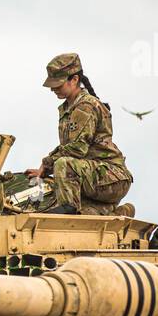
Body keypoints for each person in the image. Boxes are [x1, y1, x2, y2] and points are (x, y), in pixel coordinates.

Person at [26, 53, 134, 215]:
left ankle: (68, 211)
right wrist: (45, 168)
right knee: (86, 217)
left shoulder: (85, 106)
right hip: (95, 176)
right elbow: (69, 147)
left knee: (63, 165)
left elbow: (77, 149)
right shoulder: (69, 107)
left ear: (74, 80)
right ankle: (120, 212)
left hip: (111, 176)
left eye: (58, 84)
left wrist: (46, 165)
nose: (53, 88)